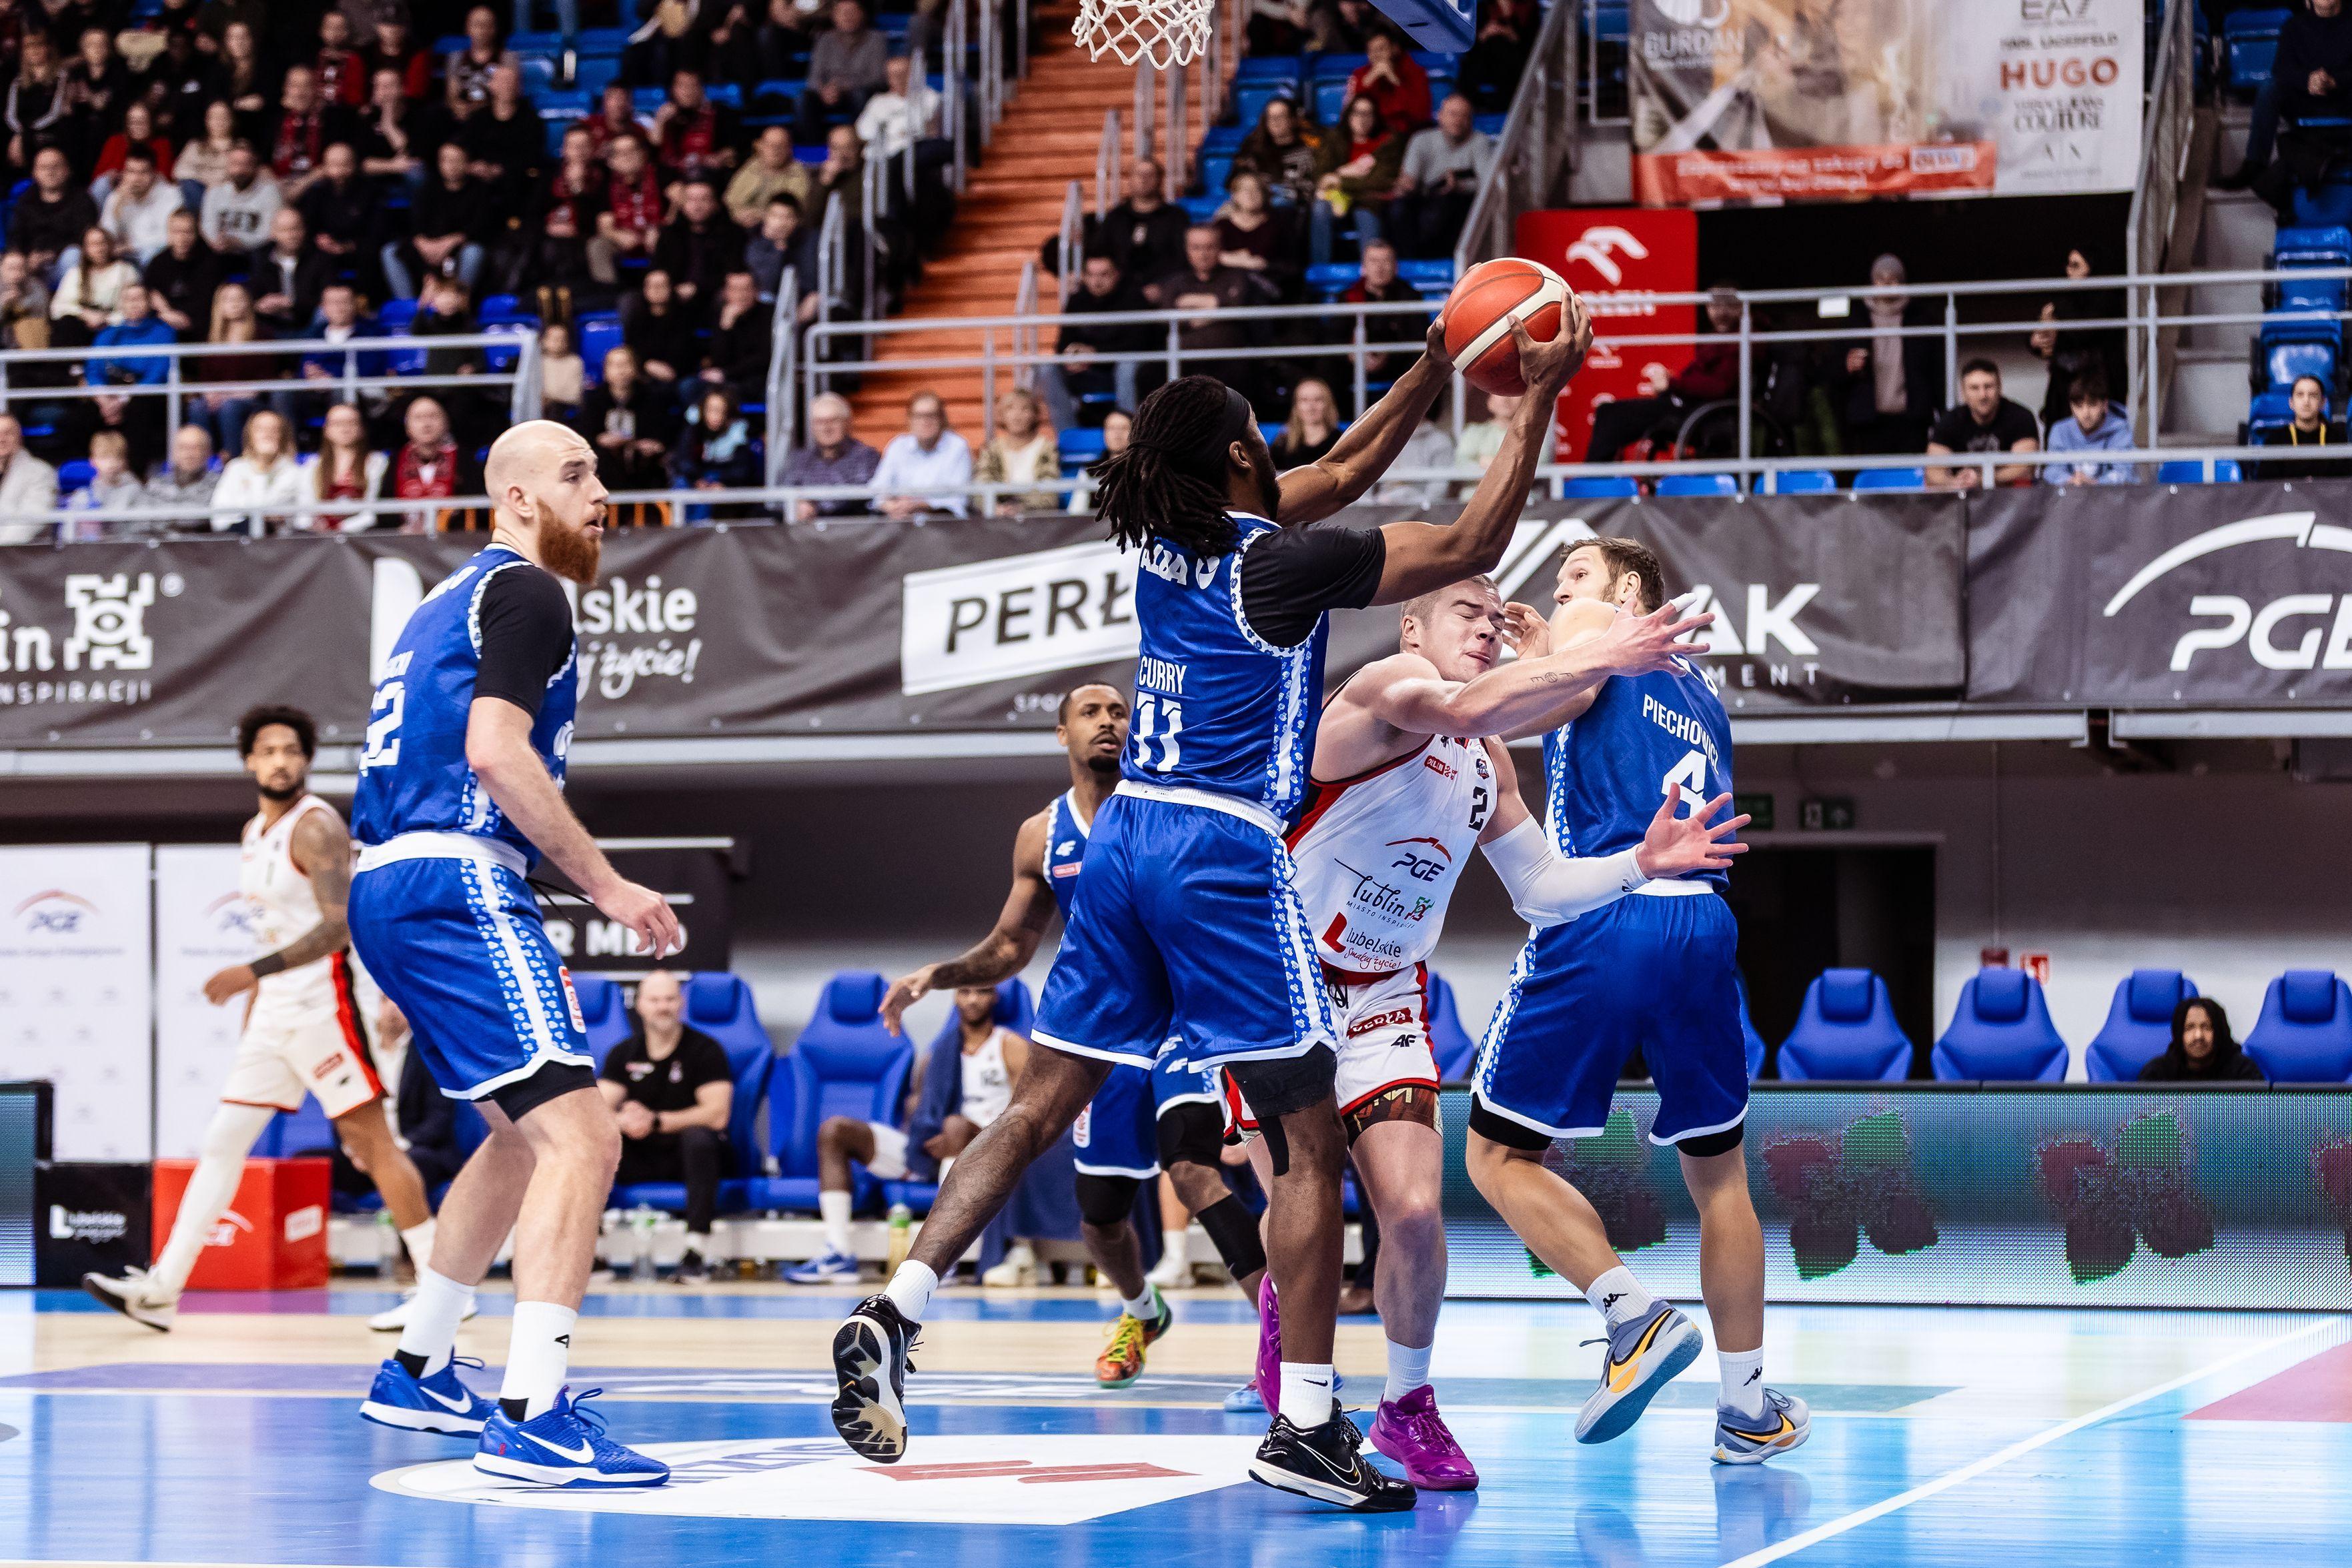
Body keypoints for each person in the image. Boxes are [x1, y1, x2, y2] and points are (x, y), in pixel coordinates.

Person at [827, 301, 1592, 1513]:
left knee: (1040, 1103)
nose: (1278, 449)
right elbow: (1470, 538)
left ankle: (897, 1305)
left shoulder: (1169, 539)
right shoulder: (1276, 567)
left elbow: (1338, 468)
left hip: (1124, 838)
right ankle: (1306, 1424)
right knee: (1309, 1141)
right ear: (1239, 454)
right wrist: (1534, 394)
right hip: (1219, 851)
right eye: (1256, 432)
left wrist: (1433, 364)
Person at [1270, 571, 1733, 1487]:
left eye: (1494, 617)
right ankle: (1298, 1385)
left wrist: (1637, 864)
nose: (1485, 628)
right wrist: (1603, 654)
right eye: (1465, 613)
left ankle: (1405, 1402)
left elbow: (1541, 889)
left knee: (1412, 1211)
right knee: (1303, 1198)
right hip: (1285, 981)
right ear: (1413, 628)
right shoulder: (1388, 687)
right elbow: (1465, 703)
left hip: (1386, 989)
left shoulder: (1486, 760)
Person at [345, 418, 680, 1485]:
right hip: (455, 874)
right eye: (575, 475)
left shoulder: (441, 601)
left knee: (520, 1133)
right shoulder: (530, 589)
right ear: (519, 498)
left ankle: (418, 1363)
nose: (600, 493)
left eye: (600, 473)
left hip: (391, 880)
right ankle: (533, 1410)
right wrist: (606, 884)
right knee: (585, 1135)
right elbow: (494, 750)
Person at [1467, 534, 1808, 1472]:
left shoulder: (1598, 622)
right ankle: (1746, 1406)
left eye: (1575, 575)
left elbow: (1566, 697)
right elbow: (1594, 698)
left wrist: (1514, 675)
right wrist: (1548, 651)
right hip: (1702, 923)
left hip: (1612, 904)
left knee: (1497, 1153)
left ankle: (1630, 1314)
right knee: (1720, 1179)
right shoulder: (1702, 693)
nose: (1561, 592)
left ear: (1626, 592)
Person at [858, 685, 1271, 1393]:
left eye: (1119, 710)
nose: (1108, 721)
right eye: (1090, 712)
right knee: (1100, 1220)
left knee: (1193, 1170)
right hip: (1104, 1030)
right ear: (1062, 733)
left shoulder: (1169, 802)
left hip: (1182, 1020)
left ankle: (1281, 1354)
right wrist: (938, 973)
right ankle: (1142, 1310)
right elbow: (1011, 944)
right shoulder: (1041, 833)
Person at [83, 708, 442, 1330]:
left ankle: (441, 1290)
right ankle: (162, 1288)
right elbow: (276, 926)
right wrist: (258, 998)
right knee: (223, 1140)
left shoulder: (317, 826)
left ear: (307, 760)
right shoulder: (255, 831)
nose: (281, 761)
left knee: (371, 1143)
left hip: (327, 1004)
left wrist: (250, 972)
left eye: (291, 750)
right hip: (276, 1010)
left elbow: (338, 926)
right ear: (249, 760)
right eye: (269, 750)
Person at [786, 982, 1027, 1285]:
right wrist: (925, 1139)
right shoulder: (938, 1053)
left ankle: (945, 1256)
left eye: (981, 992)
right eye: (964, 992)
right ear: (955, 997)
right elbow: (919, 1112)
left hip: (984, 1151)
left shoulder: (1010, 1046)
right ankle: (838, 1253)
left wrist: (962, 1137)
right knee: (835, 1130)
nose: (972, 999)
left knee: (956, 1126)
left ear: (995, 998)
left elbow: (1024, 1111)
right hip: (932, 1150)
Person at [599, 969, 736, 1283]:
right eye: (655, 1000)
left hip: (689, 1159)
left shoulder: (705, 1050)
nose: (663, 1007)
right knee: (595, 1139)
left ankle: (695, 1252)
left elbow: (717, 1115)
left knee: (699, 1139)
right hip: (639, 1157)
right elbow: (598, 1111)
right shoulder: (623, 1054)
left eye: (670, 999)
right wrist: (623, 1121)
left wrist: (656, 1121)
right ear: (639, 1005)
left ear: (681, 1003)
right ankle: (593, 1252)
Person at [1585, 284, 1743, 464]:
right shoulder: (1717, 339)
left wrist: (1673, 384)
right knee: (1606, 411)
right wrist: (1670, 382)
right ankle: (1596, 475)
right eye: (1715, 305)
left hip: (1701, 414)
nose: (1721, 312)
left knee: (1612, 415)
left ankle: (1593, 476)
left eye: (1728, 305)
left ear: (1740, 307)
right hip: (1685, 406)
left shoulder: (1743, 339)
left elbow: (1719, 386)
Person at [2219, 0, 2352, 191]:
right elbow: (2281, 70)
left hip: (2344, 99)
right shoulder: (2294, 26)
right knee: (2270, 88)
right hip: (2305, 101)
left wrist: (2335, 81)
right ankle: (2255, 164)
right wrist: (2307, 81)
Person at [1836, 253, 1938, 455]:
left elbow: (1936, 370)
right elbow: (1832, 371)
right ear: (1872, 282)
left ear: (1902, 282)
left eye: (1893, 279)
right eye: (1881, 279)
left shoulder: (1920, 318)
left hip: (1912, 421)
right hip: (1867, 422)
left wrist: (1937, 412)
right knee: (1871, 474)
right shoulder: (1855, 320)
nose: (1887, 284)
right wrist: (1847, 366)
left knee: (1913, 473)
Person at [1038, 251, 1149, 432]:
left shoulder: (1133, 298)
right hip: (1085, 371)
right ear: (1084, 276)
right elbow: (1062, 345)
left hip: (1118, 371)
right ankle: (1068, 436)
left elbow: (1138, 343)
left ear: (1117, 274)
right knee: (1047, 368)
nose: (1097, 281)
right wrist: (1072, 356)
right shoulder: (1076, 301)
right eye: (1091, 275)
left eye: (1104, 274)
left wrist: (1095, 354)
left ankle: (1128, 434)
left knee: (1127, 366)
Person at [2026, 245, 2127, 434]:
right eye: (2068, 265)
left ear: (2092, 268)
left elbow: (2084, 333)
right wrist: (2036, 340)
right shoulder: (2063, 298)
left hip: (2099, 383)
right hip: (2063, 387)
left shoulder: (2107, 298)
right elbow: (2043, 331)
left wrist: (2058, 314)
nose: (2068, 271)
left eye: (2076, 266)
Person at [1390, 95, 1492, 259]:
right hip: (1425, 196)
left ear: (1471, 121)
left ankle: (1442, 259)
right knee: (1399, 209)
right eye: (1453, 114)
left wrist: (1460, 185)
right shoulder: (1421, 139)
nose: (1458, 121)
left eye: (1464, 116)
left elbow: (1488, 183)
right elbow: (1410, 179)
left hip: (1459, 200)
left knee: (1447, 206)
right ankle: (1408, 261)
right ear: (1440, 116)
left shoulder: (1479, 141)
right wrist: (1406, 185)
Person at [1311, 94, 1406, 269]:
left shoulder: (1389, 142)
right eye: (1357, 113)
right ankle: (1320, 271)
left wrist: (1339, 178)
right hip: (1336, 201)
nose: (1362, 119)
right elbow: (1321, 177)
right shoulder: (1334, 139)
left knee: (1366, 212)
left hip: (1369, 202)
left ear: (1376, 117)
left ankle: (1371, 273)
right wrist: (1346, 173)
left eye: (1368, 114)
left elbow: (1381, 181)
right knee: (1320, 208)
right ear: (1348, 116)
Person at [385, 139, 491, 297]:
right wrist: (422, 242)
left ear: (467, 163)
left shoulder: (480, 191)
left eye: (456, 160)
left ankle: (458, 300)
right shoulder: (427, 188)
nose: (451, 165)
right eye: (445, 160)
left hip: (459, 247)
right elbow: (415, 224)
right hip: (427, 246)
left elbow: (480, 226)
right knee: (390, 252)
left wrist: (451, 241)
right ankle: (408, 305)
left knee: (474, 252)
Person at [573, 345, 679, 492]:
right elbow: (585, 434)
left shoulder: (653, 397)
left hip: (643, 460)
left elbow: (662, 433)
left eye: (625, 365)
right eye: (615, 365)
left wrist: (652, 444)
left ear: (636, 369)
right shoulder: (594, 399)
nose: (620, 371)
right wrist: (600, 439)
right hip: (606, 460)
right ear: (605, 371)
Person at [1925, 358, 2040, 490]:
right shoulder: (1950, 420)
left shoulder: (2021, 417)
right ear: (1963, 392)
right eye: (1974, 388)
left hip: (2010, 497)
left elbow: (2025, 470)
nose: (1983, 395)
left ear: (2000, 388)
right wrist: (1955, 483)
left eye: (1988, 387)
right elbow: (1932, 473)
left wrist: (1983, 480)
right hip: (1962, 497)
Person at [191, 279, 275, 458]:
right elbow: (205, 377)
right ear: (219, 305)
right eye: (228, 299)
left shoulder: (262, 335)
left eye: (239, 299)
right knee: (197, 407)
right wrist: (210, 393)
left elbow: (265, 378)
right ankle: (203, 459)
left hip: (252, 399)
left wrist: (228, 394)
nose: (235, 304)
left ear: (248, 303)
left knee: (229, 407)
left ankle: (233, 459)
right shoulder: (210, 338)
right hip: (222, 397)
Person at [1086, 159, 1190, 289]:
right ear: (1130, 180)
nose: (1143, 179)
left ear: (1160, 180)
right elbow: (1100, 253)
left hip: (1165, 289)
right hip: (1120, 291)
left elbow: (1183, 258)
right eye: (1138, 174)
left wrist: (1163, 286)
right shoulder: (1116, 217)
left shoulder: (1176, 217)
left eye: (1149, 175)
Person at [798, 0, 888, 143]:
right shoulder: (824, 39)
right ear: (834, 16)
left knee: (860, 95)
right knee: (804, 99)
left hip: (860, 92)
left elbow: (878, 78)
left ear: (862, 14)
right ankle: (812, 147)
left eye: (852, 12)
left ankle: (859, 144)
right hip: (829, 94)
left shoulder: (876, 39)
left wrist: (845, 87)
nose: (847, 17)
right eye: (842, 13)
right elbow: (814, 77)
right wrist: (823, 91)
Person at [872, 389, 973, 518]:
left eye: (931, 415)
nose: (925, 421)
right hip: (900, 522)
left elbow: (958, 500)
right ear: (909, 419)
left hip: (943, 524)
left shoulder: (957, 447)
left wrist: (920, 506)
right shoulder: (898, 446)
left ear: (942, 418)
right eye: (919, 416)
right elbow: (878, 489)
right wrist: (891, 507)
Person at [389, 396, 483, 530]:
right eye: (418, 418)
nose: (426, 424)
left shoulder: (464, 459)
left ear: (446, 423)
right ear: (407, 427)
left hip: (453, 536)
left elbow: (476, 508)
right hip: (404, 538)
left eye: (433, 416)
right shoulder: (395, 460)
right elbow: (384, 511)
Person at [782, 389, 879, 518]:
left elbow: (862, 500)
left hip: (851, 526)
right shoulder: (800, 460)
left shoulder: (867, 458)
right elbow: (780, 496)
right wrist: (797, 504)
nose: (826, 428)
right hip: (806, 528)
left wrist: (815, 508)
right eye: (819, 422)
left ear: (847, 423)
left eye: (833, 420)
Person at [671, 383, 763, 513]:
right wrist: (697, 480)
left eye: (720, 410)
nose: (715, 416)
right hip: (695, 478)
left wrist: (724, 483)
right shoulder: (693, 430)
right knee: (681, 484)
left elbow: (742, 470)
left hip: (724, 481)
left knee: (710, 492)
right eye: (711, 410)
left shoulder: (738, 433)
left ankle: (701, 526)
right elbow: (683, 461)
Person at [1213, 170, 1303, 302]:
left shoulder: (1279, 224)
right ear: (1235, 195)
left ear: (1264, 194)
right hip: (1228, 286)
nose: (1251, 194)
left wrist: (1265, 265)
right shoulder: (1222, 226)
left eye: (1257, 189)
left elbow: (1292, 265)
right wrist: (1239, 261)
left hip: (1269, 286)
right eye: (1245, 190)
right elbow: (1207, 257)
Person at [9, 148, 96, 283]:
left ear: (68, 170)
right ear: (34, 173)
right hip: (31, 267)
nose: (50, 172)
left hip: (63, 264)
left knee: (74, 254)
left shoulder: (82, 200)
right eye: (44, 168)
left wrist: (51, 254)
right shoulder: (25, 201)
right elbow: (16, 237)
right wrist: (26, 259)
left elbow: (84, 237)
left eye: (56, 166)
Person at [652, 177, 744, 305]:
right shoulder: (670, 234)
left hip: (714, 296)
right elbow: (659, 268)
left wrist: (697, 288)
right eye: (691, 200)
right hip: (674, 296)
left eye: (704, 200)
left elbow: (731, 272)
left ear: (716, 204)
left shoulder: (732, 234)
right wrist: (672, 289)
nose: (697, 206)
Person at [971, 387, 1060, 515]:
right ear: (1002, 415)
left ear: (1035, 415)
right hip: (998, 518)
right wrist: (995, 508)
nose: (1017, 416)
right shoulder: (991, 450)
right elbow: (981, 487)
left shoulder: (1047, 448)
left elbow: (1049, 495)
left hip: (1036, 517)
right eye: (1010, 409)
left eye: (1025, 409)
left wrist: (1022, 509)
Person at [212, 406, 304, 530]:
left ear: (283, 437)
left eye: (274, 430)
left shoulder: (295, 473)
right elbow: (219, 518)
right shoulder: (236, 468)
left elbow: (302, 520)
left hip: (280, 538)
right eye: (260, 429)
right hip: (237, 537)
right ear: (249, 436)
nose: (267, 434)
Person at [302, 401, 386, 530]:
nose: (345, 429)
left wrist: (340, 528)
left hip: (360, 535)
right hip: (319, 536)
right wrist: (314, 526)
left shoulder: (376, 462)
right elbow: (304, 509)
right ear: (327, 430)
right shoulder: (312, 465)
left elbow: (371, 513)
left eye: (351, 423)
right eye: (338, 424)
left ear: (362, 429)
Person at [249, 207, 334, 334]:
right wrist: (258, 305)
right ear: (273, 232)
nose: (292, 235)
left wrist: (291, 303)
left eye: (296, 229)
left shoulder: (320, 259)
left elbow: (326, 298)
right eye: (285, 230)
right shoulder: (260, 258)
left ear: (305, 230)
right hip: (268, 326)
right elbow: (251, 292)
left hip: (312, 327)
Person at [2043, 370, 2136, 485]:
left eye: (2092, 405)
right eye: (2079, 406)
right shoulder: (2060, 430)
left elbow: (2125, 474)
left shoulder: (2120, 430)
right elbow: (2052, 470)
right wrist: (2071, 480)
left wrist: (2095, 483)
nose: (2086, 413)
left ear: (2105, 405)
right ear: (2071, 406)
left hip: (2110, 495)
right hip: (2072, 493)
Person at [2139, 998, 2263, 1083]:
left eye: (2206, 1027)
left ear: (2219, 1032)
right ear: (2179, 1033)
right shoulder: (2156, 1073)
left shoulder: (2244, 1071)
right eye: (2190, 1028)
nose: (2198, 1036)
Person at [143, 209, 224, 338]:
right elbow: (149, 291)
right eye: (176, 232)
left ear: (197, 233)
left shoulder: (211, 262)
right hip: (164, 327)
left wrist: (184, 319)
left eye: (188, 232)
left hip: (201, 329)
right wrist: (167, 312)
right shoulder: (158, 262)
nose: (182, 238)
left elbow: (208, 302)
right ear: (169, 234)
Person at [653, 69, 740, 187]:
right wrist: (660, 122)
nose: (687, 92)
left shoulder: (721, 114)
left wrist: (720, 157)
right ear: (673, 90)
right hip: (674, 179)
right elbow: (653, 150)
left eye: (693, 86)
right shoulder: (666, 117)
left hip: (710, 177)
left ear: (702, 89)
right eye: (682, 86)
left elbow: (733, 149)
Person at [199, 141, 285, 261]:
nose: (240, 170)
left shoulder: (270, 193)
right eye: (235, 164)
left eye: (246, 164)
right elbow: (207, 224)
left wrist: (240, 242)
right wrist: (217, 241)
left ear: (255, 167)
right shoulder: (215, 192)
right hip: (220, 251)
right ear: (228, 166)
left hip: (255, 254)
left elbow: (269, 232)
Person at [1233, 97, 1324, 208]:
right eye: (1271, 118)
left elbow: (1311, 189)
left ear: (1293, 120)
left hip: (1292, 205)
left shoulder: (1308, 150)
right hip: (1254, 199)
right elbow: (1235, 182)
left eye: (1281, 117)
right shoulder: (1253, 148)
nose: (1275, 122)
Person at [2255, 372, 2349, 478]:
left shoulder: (2338, 438)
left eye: (2313, 395)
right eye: (2300, 395)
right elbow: (2266, 484)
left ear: (2323, 403)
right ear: (2291, 403)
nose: (2306, 402)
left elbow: (2346, 483)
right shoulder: (2275, 440)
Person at [50, 227, 137, 338]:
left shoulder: (125, 271)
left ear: (110, 245)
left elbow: (135, 306)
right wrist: (85, 314)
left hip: (115, 326)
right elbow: (58, 308)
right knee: (67, 325)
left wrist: (106, 319)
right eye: (93, 245)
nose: (99, 249)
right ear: (85, 249)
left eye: (102, 243)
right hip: (82, 325)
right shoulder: (75, 274)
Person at [853, 52, 941, 161]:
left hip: (917, 155)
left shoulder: (931, 98)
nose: (898, 79)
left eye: (903, 74)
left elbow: (927, 131)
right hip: (883, 157)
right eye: (892, 75)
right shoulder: (878, 102)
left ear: (914, 74)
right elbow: (864, 133)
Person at [101, 147, 185, 261]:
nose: (136, 179)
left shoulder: (171, 194)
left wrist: (133, 246)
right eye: (131, 172)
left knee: (149, 255)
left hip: (153, 255)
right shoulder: (117, 196)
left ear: (154, 174)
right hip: (124, 256)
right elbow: (106, 238)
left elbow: (169, 238)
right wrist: (117, 206)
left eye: (143, 172)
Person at [86, 280, 177, 385]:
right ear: (121, 304)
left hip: (149, 392)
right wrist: (101, 391)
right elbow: (94, 370)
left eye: (139, 298)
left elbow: (159, 372)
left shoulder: (164, 332)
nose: (134, 304)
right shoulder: (107, 334)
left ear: (149, 303)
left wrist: (135, 392)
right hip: (112, 390)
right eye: (128, 299)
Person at [622, 265, 700, 383]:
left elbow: (687, 353)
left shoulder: (684, 317)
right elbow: (632, 350)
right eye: (652, 286)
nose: (657, 290)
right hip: (645, 373)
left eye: (661, 285)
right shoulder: (637, 318)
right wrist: (647, 365)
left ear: (671, 288)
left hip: (678, 375)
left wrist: (670, 371)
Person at [728, 125, 815, 228]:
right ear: (760, 146)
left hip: (779, 228)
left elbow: (793, 211)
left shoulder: (799, 174)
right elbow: (731, 200)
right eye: (769, 145)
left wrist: (759, 216)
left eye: (780, 146)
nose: (774, 150)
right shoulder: (752, 166)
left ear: (789, 149)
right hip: (740, 225)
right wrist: (740, 215)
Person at [1346, 30, 1431, 135]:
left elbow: (1420, 114)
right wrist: (1368, 81)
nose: (1376, 55)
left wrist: (1395, 80)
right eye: (1371, 51)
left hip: (1407, 133)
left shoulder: (1416, 73)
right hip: (1372, 135)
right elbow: (1349, 116)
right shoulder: (1360, 75)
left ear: (1395, 49)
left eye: (1381, 49)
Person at [61, 429, 143, 537]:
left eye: (118, 457)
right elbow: (68, 535)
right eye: (104, 457)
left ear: (125, 461)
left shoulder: (135, 490)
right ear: (92, 460)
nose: (112, 463)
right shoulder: (82, 496)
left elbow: (143, 530)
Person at [138, 423, 220, 530]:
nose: (189, 455)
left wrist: (163, 515)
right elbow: (141, 520)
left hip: (200, 539)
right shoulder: (155, 485)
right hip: (158, 539)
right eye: (183, 448)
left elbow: (198, 519)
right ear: (174, 452)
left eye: (196, 448)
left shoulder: (219, 485)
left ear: (208, 452)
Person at [746, 193, 819, 311]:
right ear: (766, 217)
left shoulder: (810, 239)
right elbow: (766, 285)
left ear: (797, 220)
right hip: (768, 301)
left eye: (788, 217)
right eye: (775, 216)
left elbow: (811, 281)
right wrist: (778, 249)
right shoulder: (756, 242)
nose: (781, 223)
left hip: (802, 301)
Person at [0, 414, 61, 539]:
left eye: (8, 433)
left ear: (19, 438)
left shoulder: (40, 472)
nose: (2, 439)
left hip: (20, 548)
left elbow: (32, 518)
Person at [1270, 378, 1343, 468]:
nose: (1311, 407)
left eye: (1318, 400)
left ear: (1328, 404)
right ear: (1296, 405)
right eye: (1304, 400)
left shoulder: (1342, 443)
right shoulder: (1281, 445)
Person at [540, 321, 586, 419]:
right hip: (541, 410)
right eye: (554, 339)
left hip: (566, 411)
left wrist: (550, 397)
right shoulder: (537, 363)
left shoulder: (575, 362)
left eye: (562, 339)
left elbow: (575, 396)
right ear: (544, 341)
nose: (559, 342)